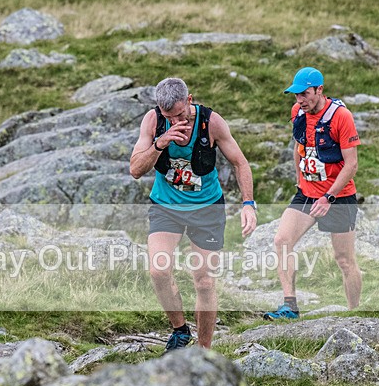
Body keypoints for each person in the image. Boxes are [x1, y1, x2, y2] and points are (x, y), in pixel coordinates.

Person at [130, 77, 257, 353]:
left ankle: (203, 352)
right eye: (169, 117)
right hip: (166, 206)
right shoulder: (153, 121)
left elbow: (240, 163)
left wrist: (248, 203)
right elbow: (135, 169)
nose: (176, 121)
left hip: (207, 208)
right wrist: (160, 143)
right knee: (158, 271)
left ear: (189, 100)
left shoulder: (211, 122)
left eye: (180, 114)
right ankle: (180, 330)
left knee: (205, 281)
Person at [264, 67, 362, 320]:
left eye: (305, 94)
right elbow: (299, 147)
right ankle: (290, 306)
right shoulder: (298, 112)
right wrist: (300, 180)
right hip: (307, 193)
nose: (300, 100)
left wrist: (329, 197)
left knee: (344, 259)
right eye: (296, 95)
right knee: (282, 241)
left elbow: (351, 165)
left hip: (338, 197)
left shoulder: (341, 117)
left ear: (319, 90)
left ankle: (354, 314)